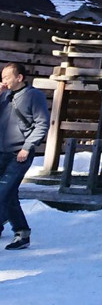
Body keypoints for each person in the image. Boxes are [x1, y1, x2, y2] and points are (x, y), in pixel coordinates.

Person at [0, 62, 49, 250]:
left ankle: (21, 231)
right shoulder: (4, 95)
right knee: (8, 194)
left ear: (19, 77)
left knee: (3, 192)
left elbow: (42, 123)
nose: (3, 81)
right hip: (2, 151)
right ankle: (22, 233)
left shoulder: (33, 95)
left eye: (6, 77)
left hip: (19, 153)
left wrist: (27, 147)